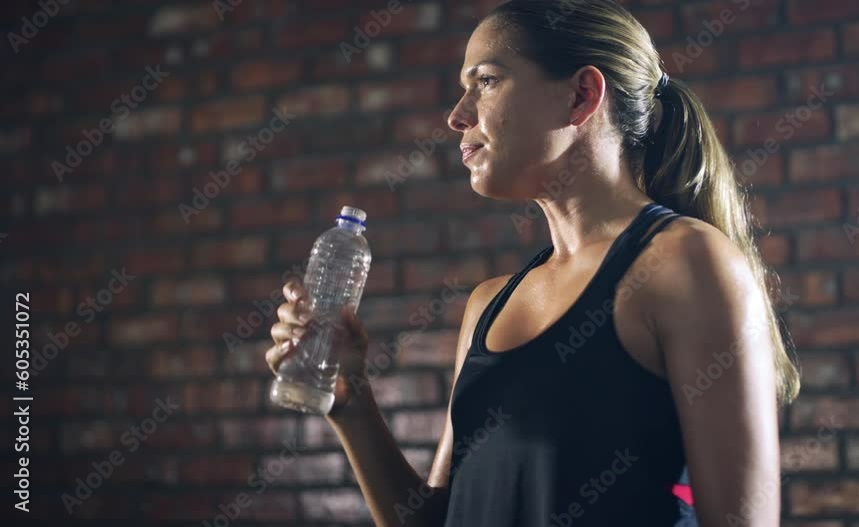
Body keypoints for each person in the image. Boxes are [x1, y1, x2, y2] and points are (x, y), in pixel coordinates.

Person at [266, 0, 801, 525]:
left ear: (580, 95)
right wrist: (351, 403)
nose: (457, 116)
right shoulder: (488, 306)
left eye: (487, 81)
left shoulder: (685, 263)